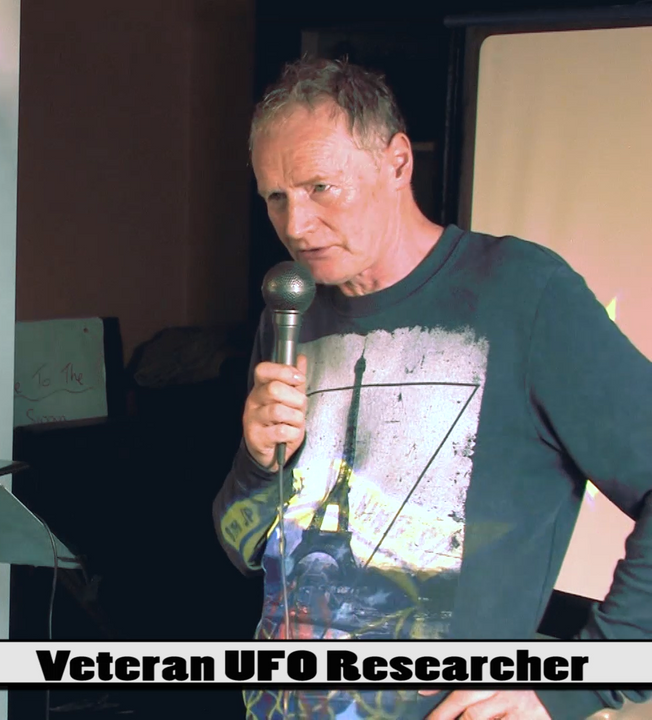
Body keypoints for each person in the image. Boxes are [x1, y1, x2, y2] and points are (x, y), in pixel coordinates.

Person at [212, 57, 652, 720]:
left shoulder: (524, 294)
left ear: (397, 162)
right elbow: (245, 551)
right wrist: (256, 463)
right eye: (276, 197)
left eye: (320, 187)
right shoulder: (294, 315)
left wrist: (572, 686)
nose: (296, 224)